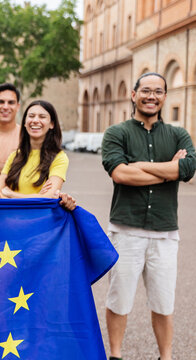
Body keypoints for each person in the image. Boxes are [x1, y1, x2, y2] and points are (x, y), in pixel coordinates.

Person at [101, 72, 195, 360]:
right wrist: (169, 171)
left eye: (158, 91)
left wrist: (140, 167)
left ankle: (165, 356)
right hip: (125, 229)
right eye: (145, 90)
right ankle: (115, 355)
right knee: (119, 300)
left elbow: (188, 170)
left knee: (164, 303)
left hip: (165, 233)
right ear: (134, 94)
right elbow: (120, 173)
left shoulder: (179, 135)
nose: (151, 96)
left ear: (165, 97)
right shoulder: (116, 133)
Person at [0, 100, 75, 210]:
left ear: (52, 124)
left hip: (38, 221)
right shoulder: (14, 156)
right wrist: (36, 197)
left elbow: (48, 198)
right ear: (24, 122)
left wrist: (11, 194)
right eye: (31, 116)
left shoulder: (59, 158)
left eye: (42, 117)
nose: (35, 120)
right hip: (10, 219)